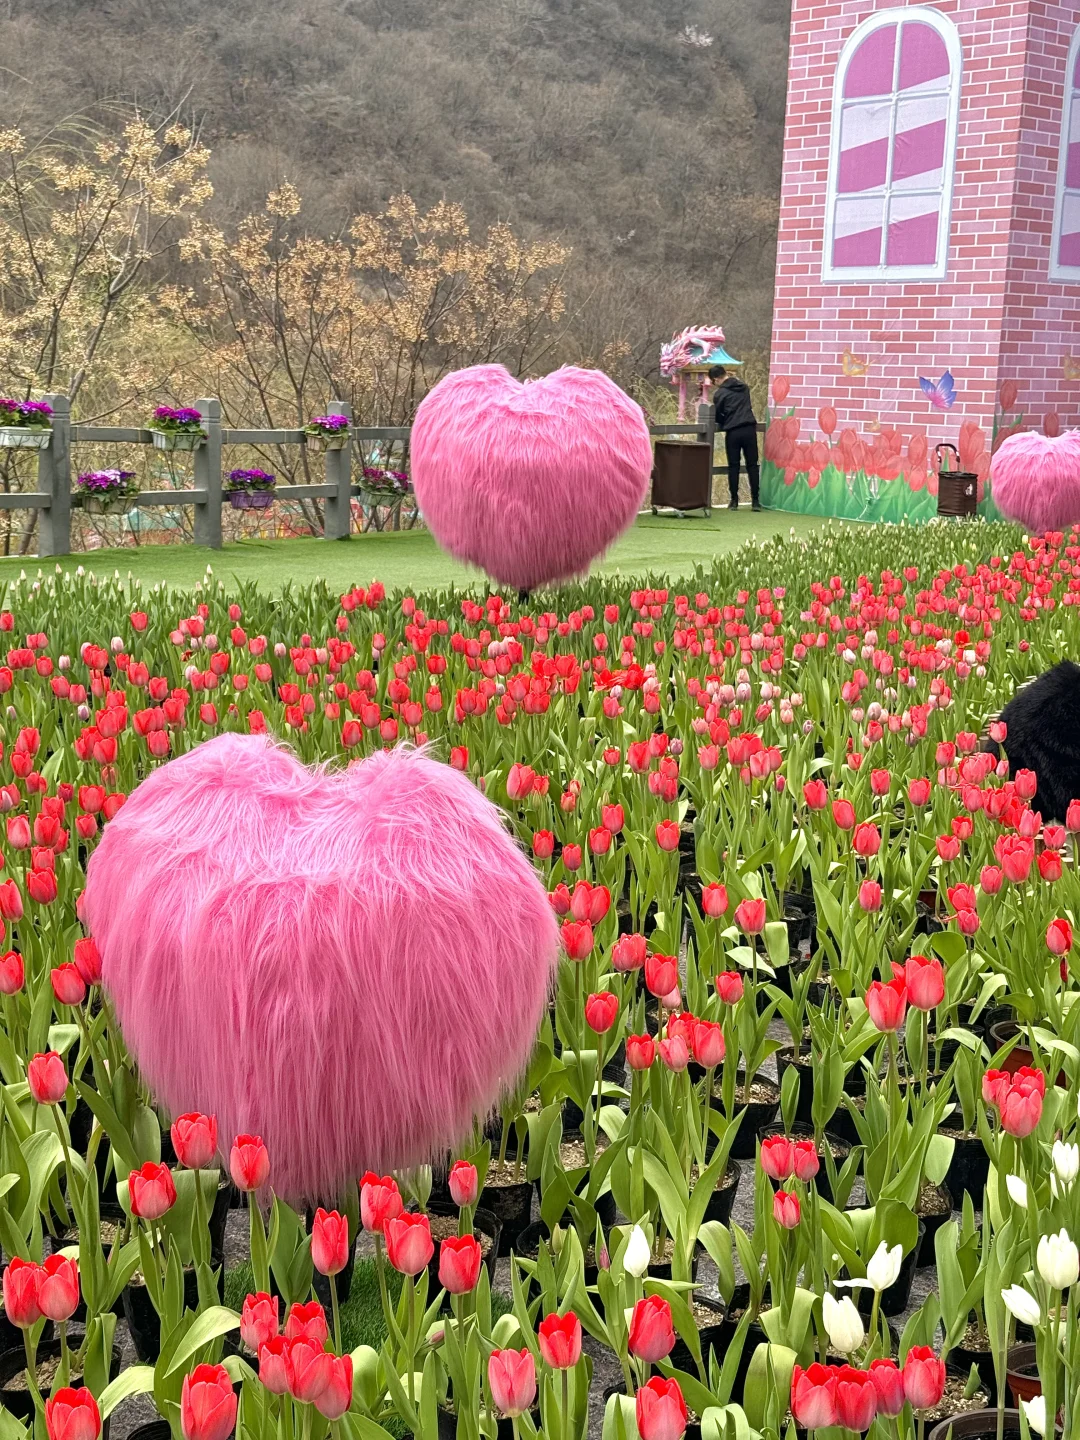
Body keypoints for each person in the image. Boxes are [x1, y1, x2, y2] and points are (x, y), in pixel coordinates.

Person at [710, 365, 760, 511]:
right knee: (752, 465)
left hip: (733, 430)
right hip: (749, 429)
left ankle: (734, 500)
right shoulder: (744, 387)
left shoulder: (720, 394)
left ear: (716, 379)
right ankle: (755, 501)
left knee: (733, 466)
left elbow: (718, 415)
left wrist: (723, 421)